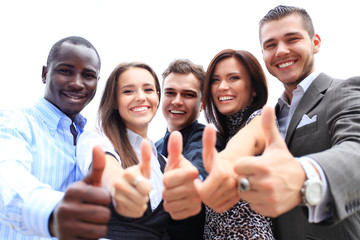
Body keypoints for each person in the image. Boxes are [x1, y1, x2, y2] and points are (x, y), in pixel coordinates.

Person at [231, 5, 360, 239]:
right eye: (270, 45)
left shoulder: (344, 91)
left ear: (315, 43)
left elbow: (356, 151)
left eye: (292, 39)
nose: (281, 51)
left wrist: (305, 175)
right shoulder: (267, 117)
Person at [0, 36, 111, 239]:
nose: (77, 83)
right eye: (66, 71)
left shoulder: (92, 140)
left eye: (88, 75)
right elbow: (7, 180)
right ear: (45, 73)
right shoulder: (13, 123)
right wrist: (52, 213)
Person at [77, 62, 172, 239]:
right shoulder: (97, 139)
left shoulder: (163, 162)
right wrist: (119, 185)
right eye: (128, 91)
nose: (141, 97)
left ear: (158, 97)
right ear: (114, 101)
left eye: (148, 90)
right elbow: (104, 166)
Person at [195, 49, 273, 239]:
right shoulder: (221, 135)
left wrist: (224, 163)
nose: (222, 86)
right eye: (215, 80)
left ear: (254, 88)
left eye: (233, 78)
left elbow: (247, 141)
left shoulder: (260, 120)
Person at [155, 59, 224, 239]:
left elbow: (199, 164)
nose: (177, 101)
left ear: (202, 104)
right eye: (170, 93)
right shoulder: (155, 147)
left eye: (188, 94)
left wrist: (193, 179)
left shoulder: (207, 139)